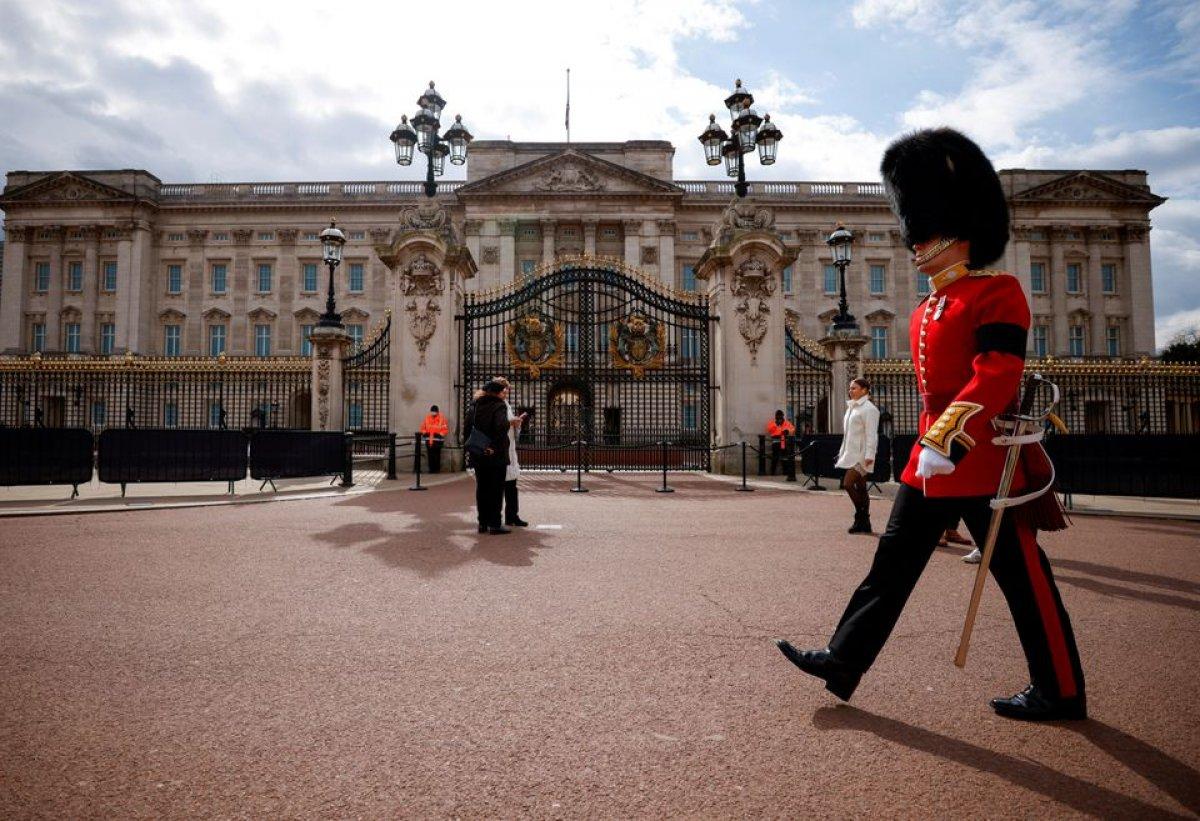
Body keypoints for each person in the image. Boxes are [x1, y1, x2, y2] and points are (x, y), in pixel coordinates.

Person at [774, 127, 1085, 722]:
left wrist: (951, 436)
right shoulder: (925, 307)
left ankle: (1062, 690)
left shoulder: (998, 293)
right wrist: (930, 445)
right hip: (930, 463)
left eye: (927, 235)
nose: (915, 246)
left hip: (985, 461)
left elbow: (996, 373)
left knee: (1026, 583)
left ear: (961, 235)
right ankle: (844, 660)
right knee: (889, 567)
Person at [463, 380, 512, 535]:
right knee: (496, 490)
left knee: (482, 488)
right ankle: (495, 524)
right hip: (495, 454)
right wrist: (493, 447)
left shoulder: (475, 405)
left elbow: (466, 428)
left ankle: (482, 523)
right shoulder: (499, 405)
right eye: (502, 392)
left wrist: (478, 447)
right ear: (497, 393)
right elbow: (501, 427)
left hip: (478, 453)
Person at [834, 377, 880, 534]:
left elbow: (872, 434)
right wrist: (842, 452)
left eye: (854, 388)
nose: (850, 391)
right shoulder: (852, 408)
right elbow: (848, 435)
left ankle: (860, 517)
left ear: (864, 390)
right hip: (851, 453)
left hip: (861, 456)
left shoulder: (870, 409)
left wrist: (869, 454)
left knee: (847, 484)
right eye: (850, 388)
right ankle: (865, 523)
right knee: (861, 488)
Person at [494, 378, 529, 527]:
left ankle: (512, 516)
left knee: (511, 486)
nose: (506, 391)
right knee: (498, 487)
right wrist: (512, 422)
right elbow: (496, 425)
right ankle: (495, 519)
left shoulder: (506, 404)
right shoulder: (495, 405)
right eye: (504, 388)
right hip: (500, 450)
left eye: (507, 388)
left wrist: (516, 423)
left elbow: (508, 425)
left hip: (509, 449)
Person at [767, 410, 797, 481]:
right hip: (775, 440)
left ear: (783, 416)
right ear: (776, 417)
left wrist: (787, 431)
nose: (779, 418)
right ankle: (772, 471)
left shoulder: (786, 423)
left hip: (783, 440)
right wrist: (777, 425)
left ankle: (785, 471)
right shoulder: (772, 423)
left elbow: (792, 429)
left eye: (781, 416)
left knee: (784, 456)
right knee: (775, 457)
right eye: (778, 417)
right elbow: (769, 429)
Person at [419, 404, 449, 473]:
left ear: (437, 412)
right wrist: (425, 433)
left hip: (438, 441)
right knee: (430, 455)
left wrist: (439, 434)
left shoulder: (442, 419)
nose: (433, 413)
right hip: (429, 440)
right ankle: (431, 469)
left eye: (434, 411)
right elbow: (422, 428)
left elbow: (445, 429)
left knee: (437, 455)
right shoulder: (427, 418)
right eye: (432, 411)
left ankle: (436, 469)